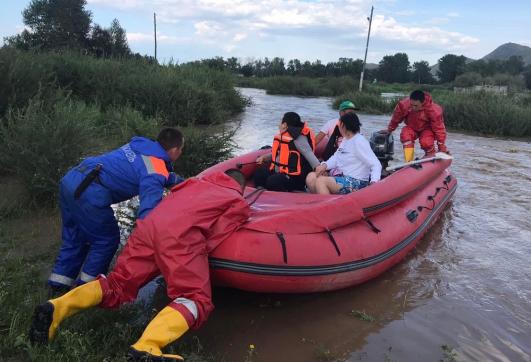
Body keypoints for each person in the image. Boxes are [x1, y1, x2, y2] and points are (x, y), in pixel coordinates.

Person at [29, 169, 250, 362]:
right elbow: (216, 237)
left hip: (148, 228)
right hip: (179, 238)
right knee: (195, 298)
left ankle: (57, 308)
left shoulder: (192, 183)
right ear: (239, 187)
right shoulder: (235, 199)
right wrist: (188, 259)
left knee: (117, 283)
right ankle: (148, 345)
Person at [48, 128, 185, 294]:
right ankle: (87, 292)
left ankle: (57, 287)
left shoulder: (140, 146)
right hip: (90, 191)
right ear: (175, 150)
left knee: (75, 236)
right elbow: (149, 211)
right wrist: (149, 240)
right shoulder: (155, 169)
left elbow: (142, 168)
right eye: (181, 150)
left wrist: (178, 181)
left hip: (71, 180)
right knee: (106, 240)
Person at [307, 113, 381, 195]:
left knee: (321, 181)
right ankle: (321, 202)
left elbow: (376, 164)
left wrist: (374, 182)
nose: (338, 127)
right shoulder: (346, 140)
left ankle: (327, 206)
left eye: (339, 124)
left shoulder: (359, 141)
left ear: (343, 125)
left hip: (357, 182)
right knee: (311, 177)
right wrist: (324, 166)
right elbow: (336, 157)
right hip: (343, 178)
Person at [254, 112, 320, 192]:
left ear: (284, 124)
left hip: (295, 178)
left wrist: (320, 171)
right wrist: (264, 157)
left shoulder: (299, 139)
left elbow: (313, 160)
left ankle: (289, 195)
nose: (279, 124)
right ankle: (261, 194)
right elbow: (279, 154)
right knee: (259, 173)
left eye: (280, 121)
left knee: (273, 181)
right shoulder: (284, 136)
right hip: (281, 172)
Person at [386, 90, 449, 162]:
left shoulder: (433, 110)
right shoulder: (403, 105)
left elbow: (439, 129)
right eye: (411, 105)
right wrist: (389, 130)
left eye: (416, 106)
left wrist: (442, 147)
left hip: (426, 129)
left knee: (426, 142)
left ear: (422, 103)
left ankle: (430, 157)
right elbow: (396, 118)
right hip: (411, 127)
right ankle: (409, 161)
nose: (413, 108)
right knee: (405, 135)